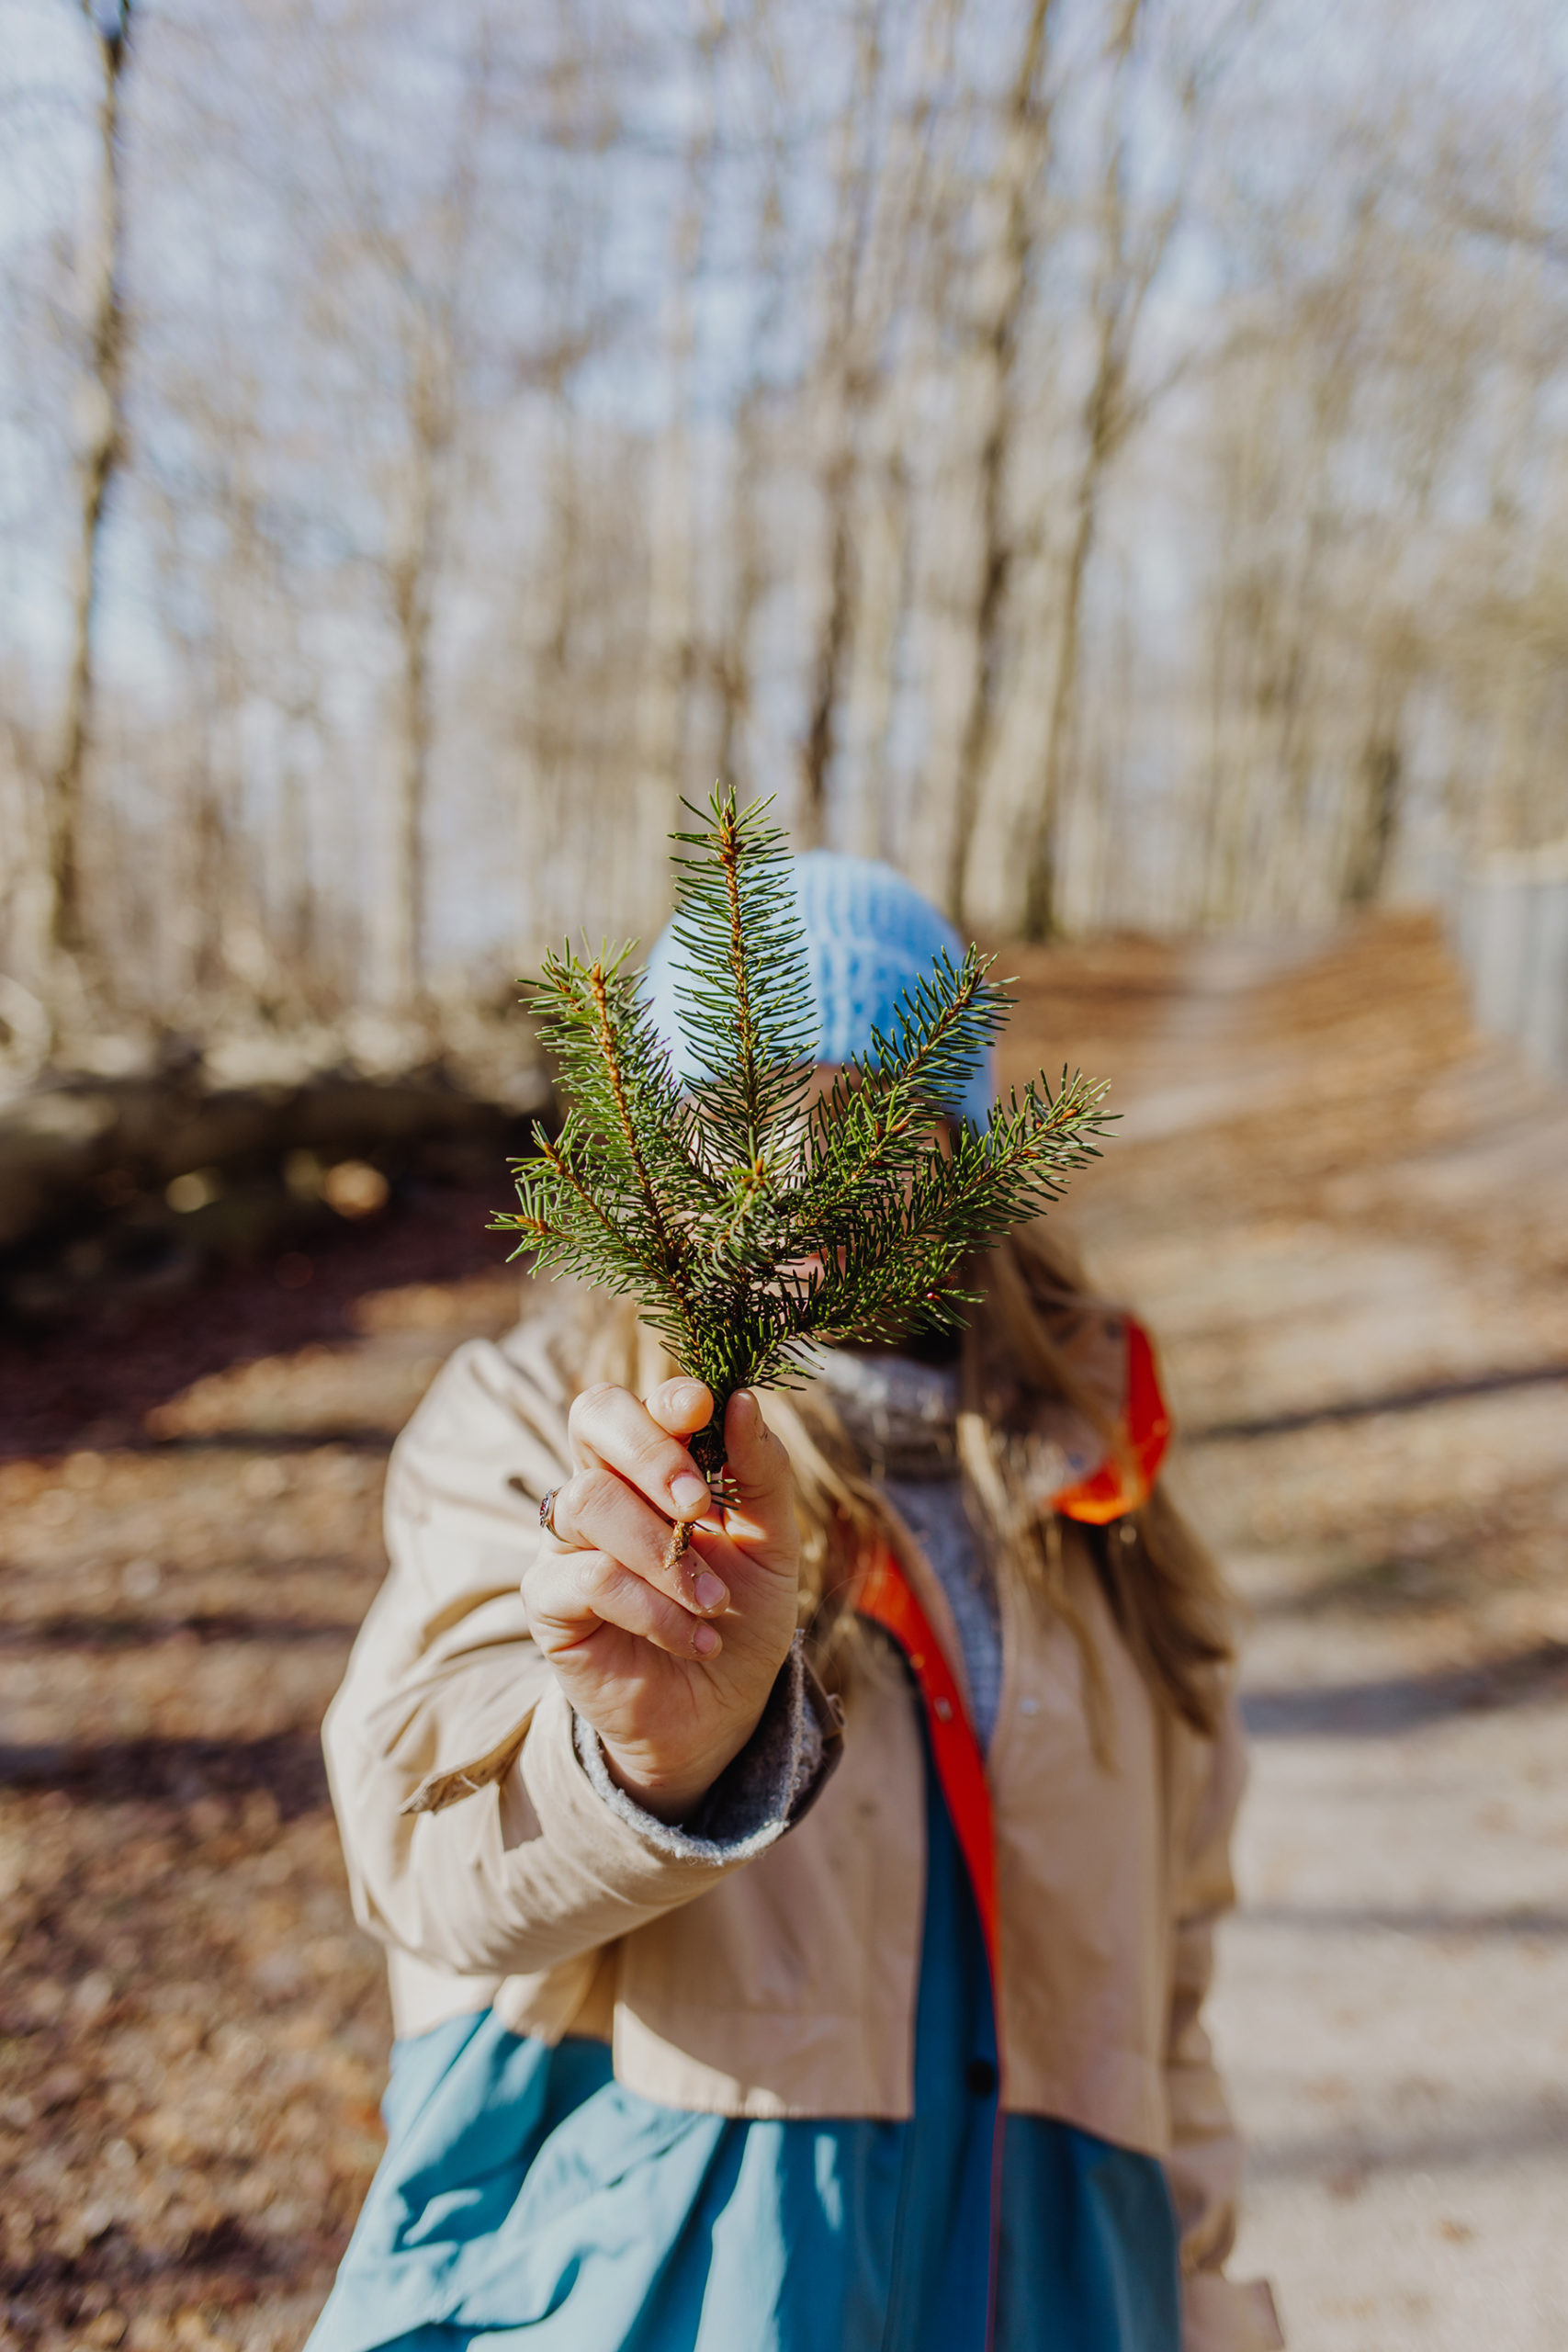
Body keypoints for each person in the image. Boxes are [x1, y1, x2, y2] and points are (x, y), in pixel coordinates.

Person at [307, 854, 1284, 2352]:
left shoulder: (1091, 1495)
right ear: (657, 1154)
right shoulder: (556, 1431)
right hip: (664, 2291)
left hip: (1056, 2294)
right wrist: (643, 1765)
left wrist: (1208, 2313)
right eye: (735, 1126)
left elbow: (1170, 2011)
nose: (791, 1193)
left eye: (856, 1130)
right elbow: (419, 1851)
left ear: (956, 1159)